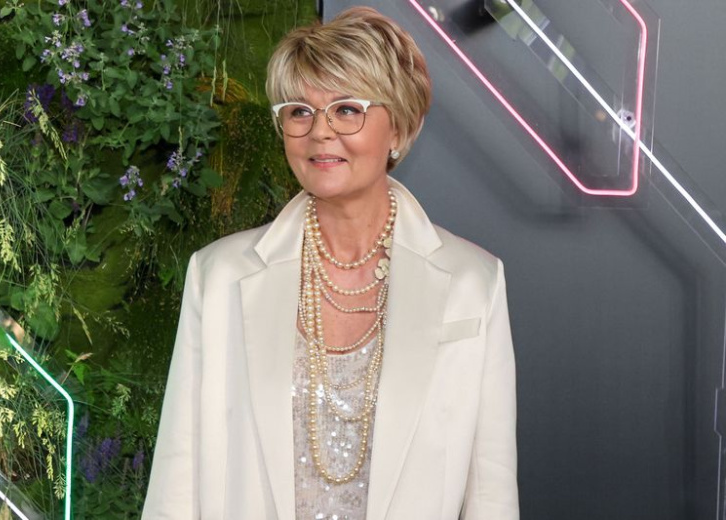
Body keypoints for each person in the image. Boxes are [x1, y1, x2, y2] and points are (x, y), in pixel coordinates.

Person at [142, 6, 518, 520]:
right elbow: (176, 485)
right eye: (299, 111)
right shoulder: (220, 276)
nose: (320, 131)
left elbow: (491, 497)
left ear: (399, 127)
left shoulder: (472, 282)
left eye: (346, 109)